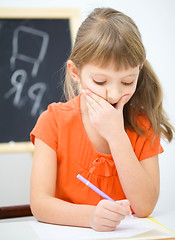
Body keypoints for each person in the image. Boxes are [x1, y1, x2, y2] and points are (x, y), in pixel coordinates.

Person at [30, 8, 174, 232]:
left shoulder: (141, 124)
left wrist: (117, 136)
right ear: (75, 72)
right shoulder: (53, 122)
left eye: (127, 82)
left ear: (139, 71)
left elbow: (144, 207)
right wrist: (90, 216)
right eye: (100, 81)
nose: (114, 94)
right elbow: (40, 204)